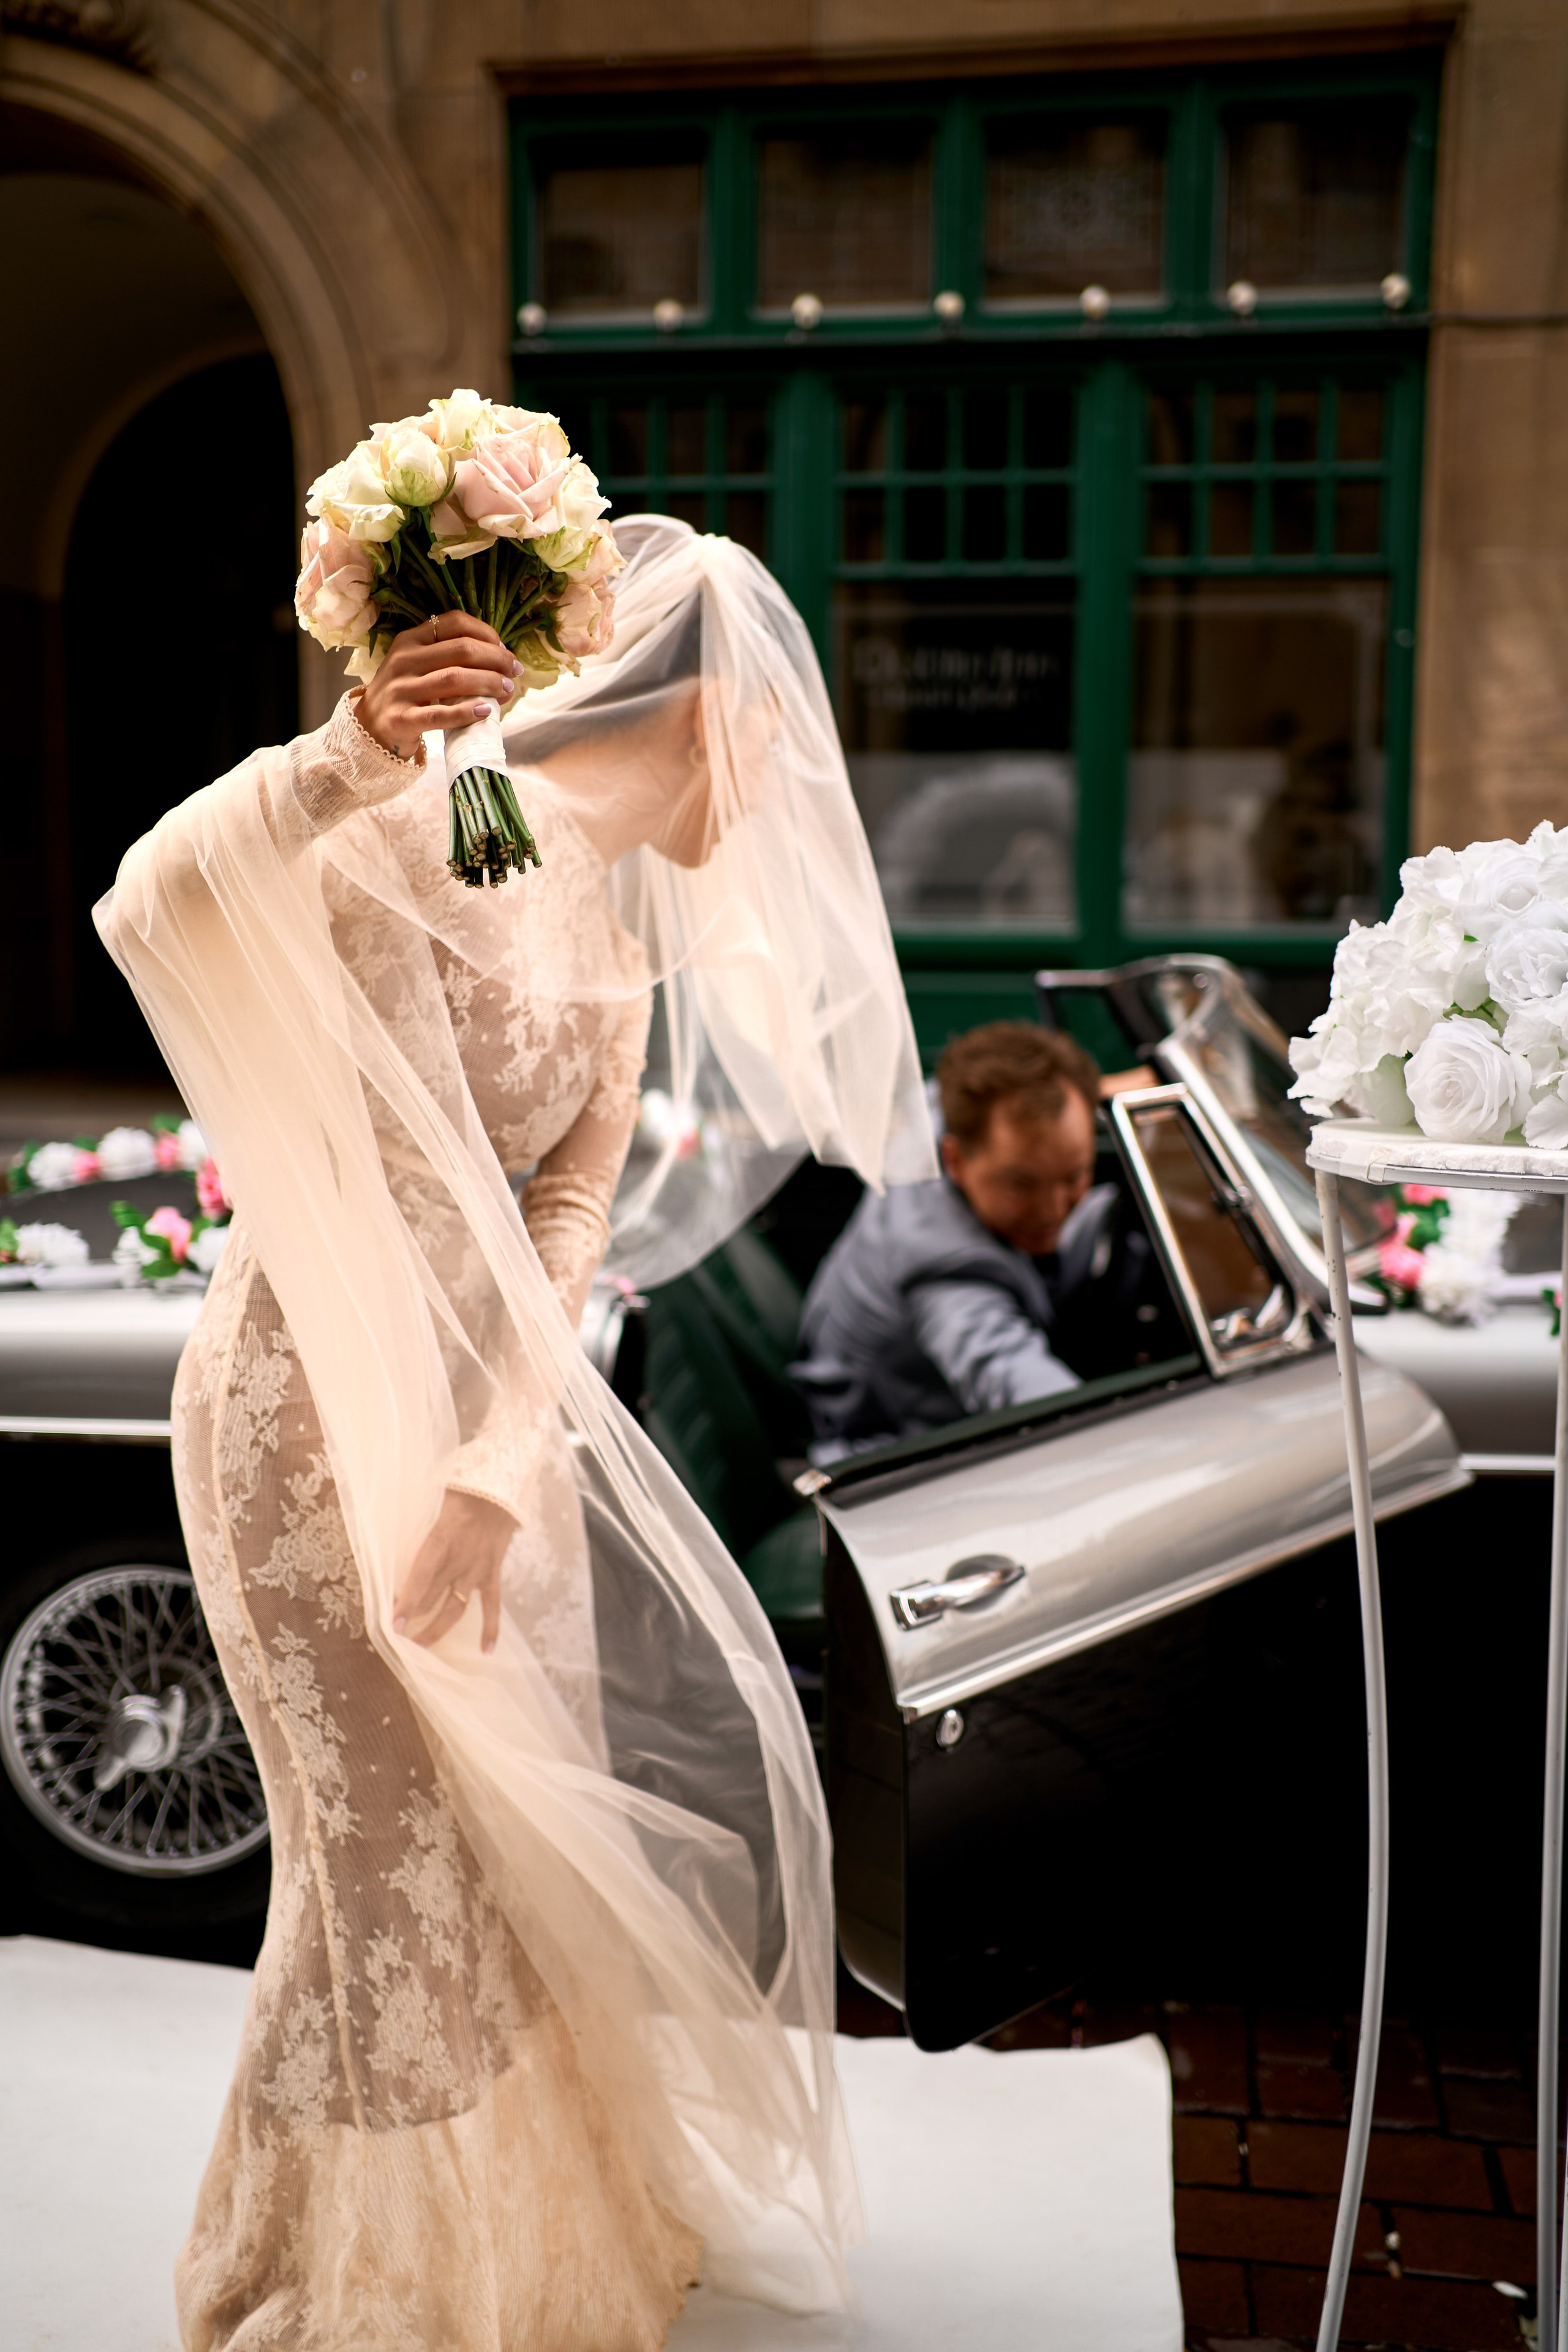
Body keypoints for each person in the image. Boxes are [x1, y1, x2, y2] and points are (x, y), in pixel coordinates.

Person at [94, 515, 933, 2350]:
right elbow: (150, 904)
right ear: (699, 704)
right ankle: (339, 2274)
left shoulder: (616, 943)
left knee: (493, 1852)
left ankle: (508, 2240)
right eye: (774, 726)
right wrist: (346, 753)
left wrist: (496, 1456)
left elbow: (566, 1223)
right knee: (371, 1846)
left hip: (492, 1446)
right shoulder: (419, 822)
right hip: (306, 1413)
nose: (784, 780)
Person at [793, 1020, 1120, 1457]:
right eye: (1021, 1184)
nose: (1053, 1210)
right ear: (955, 1160)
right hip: (892, 1451)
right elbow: (1009, 1375)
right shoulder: (943, 1271)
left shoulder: (945, 1107)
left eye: (1074, 1176)